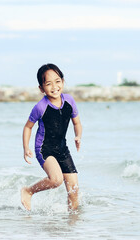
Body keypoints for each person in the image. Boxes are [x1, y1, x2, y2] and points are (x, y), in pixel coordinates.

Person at [21, 63, 82, 212]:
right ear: (41, 88)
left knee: (74, 189)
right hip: (44, 149)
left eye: (57, 81)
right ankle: (28, 191)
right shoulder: (40, 107)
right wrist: (26, 147)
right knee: (56, 180)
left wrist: (78, 135)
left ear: (63, 81)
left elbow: (77, 122)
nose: (54, 87)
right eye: (48, 84)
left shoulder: (69, 101)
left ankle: (72, 225)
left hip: (62, 148)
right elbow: (28, 127)